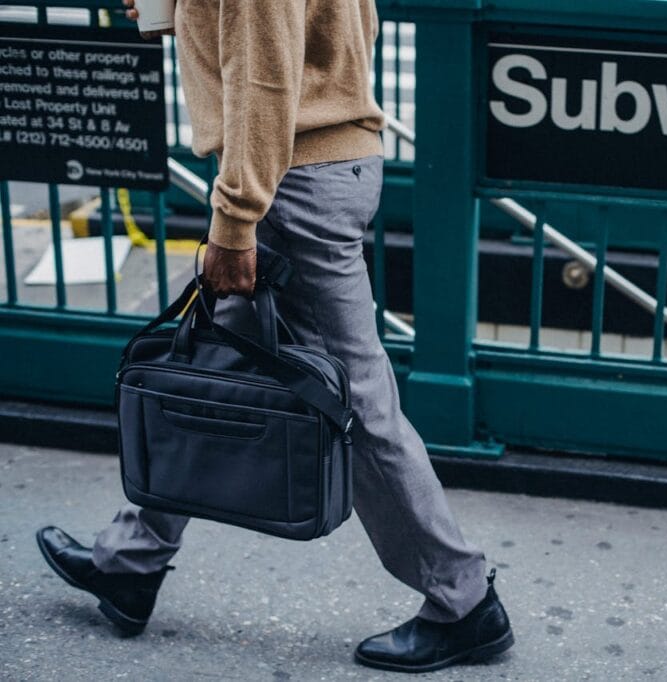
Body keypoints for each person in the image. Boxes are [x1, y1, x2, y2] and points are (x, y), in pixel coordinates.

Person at [35, 0, 513, 673]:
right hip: (312, 171)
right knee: (213, 372)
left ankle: (464, 604)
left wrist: (233, 224)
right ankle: (131, 563)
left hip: (291, 184)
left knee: (354, 405)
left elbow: (264, 77)